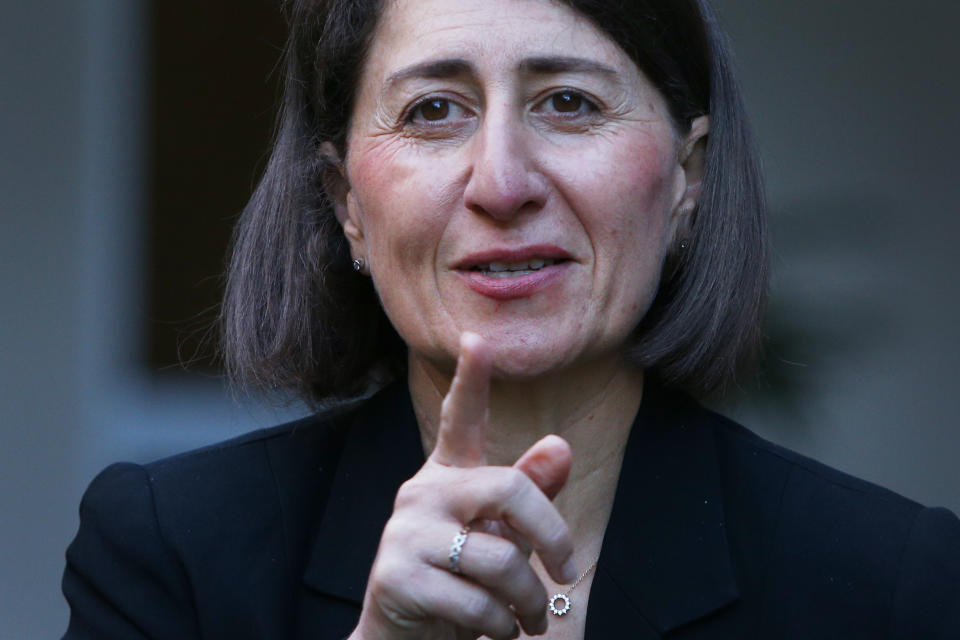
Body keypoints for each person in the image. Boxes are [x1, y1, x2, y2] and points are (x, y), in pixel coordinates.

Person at [61, 0, 960, 638]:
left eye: (568, 102)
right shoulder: (170, 557)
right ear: (346, 204)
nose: (501, 183)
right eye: (434, 110)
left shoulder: (890, 583)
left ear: (689, 177)